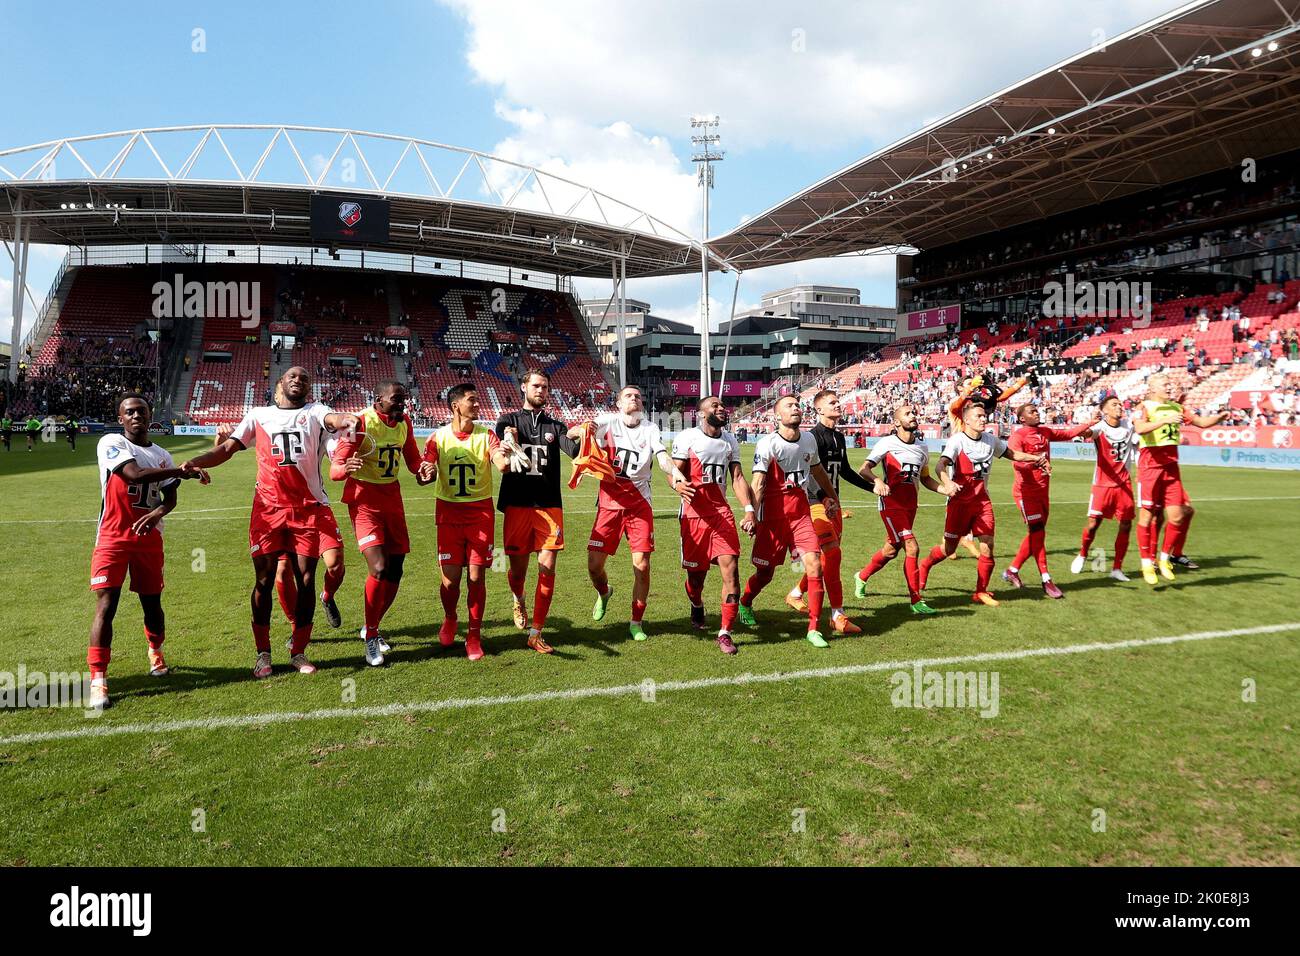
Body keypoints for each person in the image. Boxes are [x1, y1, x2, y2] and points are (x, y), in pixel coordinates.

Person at [180, 367, 358, 678]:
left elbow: (334, 420)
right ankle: (263, 654)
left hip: (307, 510)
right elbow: (227, 449)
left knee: (305, 582)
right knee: (263, 581)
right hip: (267, 511)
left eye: (304, 377)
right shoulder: (258, 415)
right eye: (292, 375)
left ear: (308, 388)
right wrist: (195, 461)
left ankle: (298, 652)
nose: (298, 379)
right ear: (278, 386)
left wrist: (348, 419)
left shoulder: (317, 411)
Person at [86, 394, 209, 710]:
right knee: (106, 604)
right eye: (129, 411)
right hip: (113, 537)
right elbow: (132, 475)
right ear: (121, 418)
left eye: (141, 410)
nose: (136, 415)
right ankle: (98, 680)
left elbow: (169, 498)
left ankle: (155, 652)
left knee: (152, 603)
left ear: (150, 414)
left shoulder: (163, 455)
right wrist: (183, 472)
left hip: (149, 539)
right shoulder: (112, 443)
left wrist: (157, 514)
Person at [329, 380, 426, 666]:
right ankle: (371, 636)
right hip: (364, 499)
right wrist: (345, 468)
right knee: (380, 567)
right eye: (396, 399)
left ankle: (373, 626)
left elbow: (414, 465)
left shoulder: (405, 422)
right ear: (378, 399)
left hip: (392, 498)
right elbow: (335, 468)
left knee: (396, 568)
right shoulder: (359, 422)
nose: (401, 404)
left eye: (404, 399)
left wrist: (426, 472)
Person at [585, 385, 690, 641]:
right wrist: (582, 429)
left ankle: (636, 622)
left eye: (638, 396)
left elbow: (662, 457)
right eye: (629, 396)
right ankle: (604, 592)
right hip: (608, 505)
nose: (635, 399)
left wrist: (676, 475)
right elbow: (581, 429)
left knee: (642, 566)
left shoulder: (650, 428)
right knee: (594, 567)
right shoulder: (607, 422)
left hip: (639, 506)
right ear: (618, 403)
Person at [918, 403, 1046, 607]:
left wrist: (1035, 458)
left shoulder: (990, 440)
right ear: (967, 420)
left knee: (987, 546)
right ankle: (925, 565)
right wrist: (948, 482)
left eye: (985, 415)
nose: (983, 419)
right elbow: (940, 465)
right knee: (949, 549)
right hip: (959, 503)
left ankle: (981, 592)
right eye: (978, 416)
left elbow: (1013, 454)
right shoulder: (957, 441)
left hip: (982, 502)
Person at [738, 394, 840, 648]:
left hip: (801, 517)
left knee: (815, 565)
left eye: (797, 405)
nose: (795, 408)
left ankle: (814, 628)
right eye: (789, 406)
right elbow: (758, 483)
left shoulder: (808, 440)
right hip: (772, 520)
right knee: (765, 574)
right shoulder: (768, 444)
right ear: (776, 415)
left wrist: (832, 497)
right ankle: (744, 603)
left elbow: (818, 472)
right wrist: (752, 513)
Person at [420, 382, 510, 660]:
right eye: (471, 400)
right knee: (450, 580)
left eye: (477, 399)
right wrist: (428, 472)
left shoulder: (487, 435)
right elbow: (428, 468)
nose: (477, 404)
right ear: (455, 405)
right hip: (448, 513)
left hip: (480, 514)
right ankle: (450, 618)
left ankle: (473, 635)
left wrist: (503, 458)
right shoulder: (437, 437)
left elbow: (498, 460)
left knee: (476, 576)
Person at [495, 370, 583, 654]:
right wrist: (509, 438)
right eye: (536, 386)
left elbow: (574, 451)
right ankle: (518, 599)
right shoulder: (508, 420)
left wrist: (582, 433)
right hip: (518, 504)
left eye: (545, 387)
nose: (541, 391)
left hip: (549, 506)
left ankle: (536, 632)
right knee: (518, 570)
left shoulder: (556, 426)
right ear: (524, 387)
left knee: (547, 568)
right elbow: (502, 440)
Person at [786, 390, 877, 634]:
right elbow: (810, 474)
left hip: (833, 504)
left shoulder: (837, 437)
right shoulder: (812, 437)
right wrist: (824, 498)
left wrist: (872, 487)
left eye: (838, 401)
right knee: (833, 555)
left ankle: (795, 594)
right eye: (832, 402)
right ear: (819, 410)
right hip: (814, 503)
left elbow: (845, 470)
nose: (838, 405)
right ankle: (837, 615)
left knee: (827, 558)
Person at [672, 395, 756, 654]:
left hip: (721, 514)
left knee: (731, 571)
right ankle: (696, 604)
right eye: (714, 406)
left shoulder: (730, 440)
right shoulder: (687, 438)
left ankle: (725, 632)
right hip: (694, 515)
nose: (721, 408)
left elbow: (738, 477)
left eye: (722, 405)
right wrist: (677, 484)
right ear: (700, 413)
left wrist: (749, 510)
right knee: (696, 579)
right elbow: (674, 473)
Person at [1130, 373, 1226, 585]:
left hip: (1171, 467)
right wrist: (1164, 420)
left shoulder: (1177, 408)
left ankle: (1165, 559)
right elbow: (1139, 429)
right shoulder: (1143, 407)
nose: (1170, 387)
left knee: (1177, 516)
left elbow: (1200, 422)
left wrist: (1218, 418)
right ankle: (1147, 562)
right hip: (1149, 467)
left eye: (1170, 384)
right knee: (1146, 518)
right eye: (1166, 384)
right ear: (1153, 388)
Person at [854, 403, 948, 614]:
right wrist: (878, 481)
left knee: (891, 550)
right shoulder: (886, 443)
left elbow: (924, 479)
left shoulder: (922, 448)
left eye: (913, 412)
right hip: (890, 504)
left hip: (910, 506)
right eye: (907, 414)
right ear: (897, 422)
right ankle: (916, 600)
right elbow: (864, 469)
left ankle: (861, 576)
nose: (913, 416)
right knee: (912, 547)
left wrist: (945, 489)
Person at [1001, 402, 1098, 598]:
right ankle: (1046, 579)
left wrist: (1088, 423)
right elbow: (1017, 464)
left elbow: (1068, 434)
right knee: (1038, 533)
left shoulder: (1045, 431)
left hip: (1043, 492)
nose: (1037, 413)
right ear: (1022, 418)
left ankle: (1012, 571)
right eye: (1032, 412)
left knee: (1036, 534)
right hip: (1026, 493)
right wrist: (1037, 461)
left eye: (1037, 411)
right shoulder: (1018, 436)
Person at [1071, 394, 1137, 582]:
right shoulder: (1100, 428)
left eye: (1120, 404)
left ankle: (1117, 568)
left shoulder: (1130, 426)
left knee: (1126, 524)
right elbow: (1087, 434)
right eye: (1114, 405)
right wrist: (1085, 428)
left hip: (1124, 484)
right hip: (1102, 485)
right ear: (1105, 410)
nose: (1119, 407)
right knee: (1093, 525)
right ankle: (1082, 554)